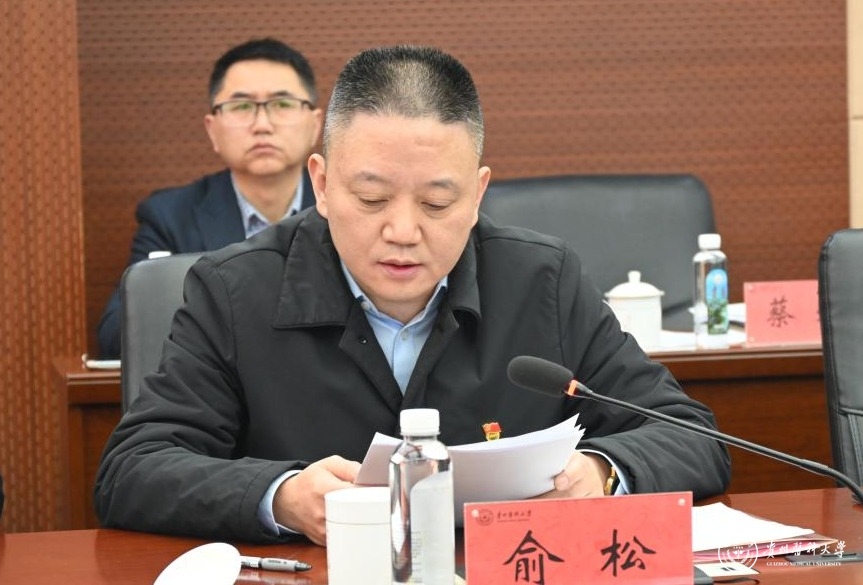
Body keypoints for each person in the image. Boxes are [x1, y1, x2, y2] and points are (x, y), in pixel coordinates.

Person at [94, 45, 730, 545]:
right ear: (322, 184)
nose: (402, 231)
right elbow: (132, 470)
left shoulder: (542, 280)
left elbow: (691, 437)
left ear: (477, 194)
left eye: (437, 202)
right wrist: (281, 496)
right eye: (371, 199)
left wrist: (601, 473)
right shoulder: (235, 289)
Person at [96, 38, 323, 358]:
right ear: (212, 130)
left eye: (282, 104)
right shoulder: (170, 218)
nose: (262, 125)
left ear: (315, 125)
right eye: (241, 106)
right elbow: (120, 334)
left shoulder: (348, 209)